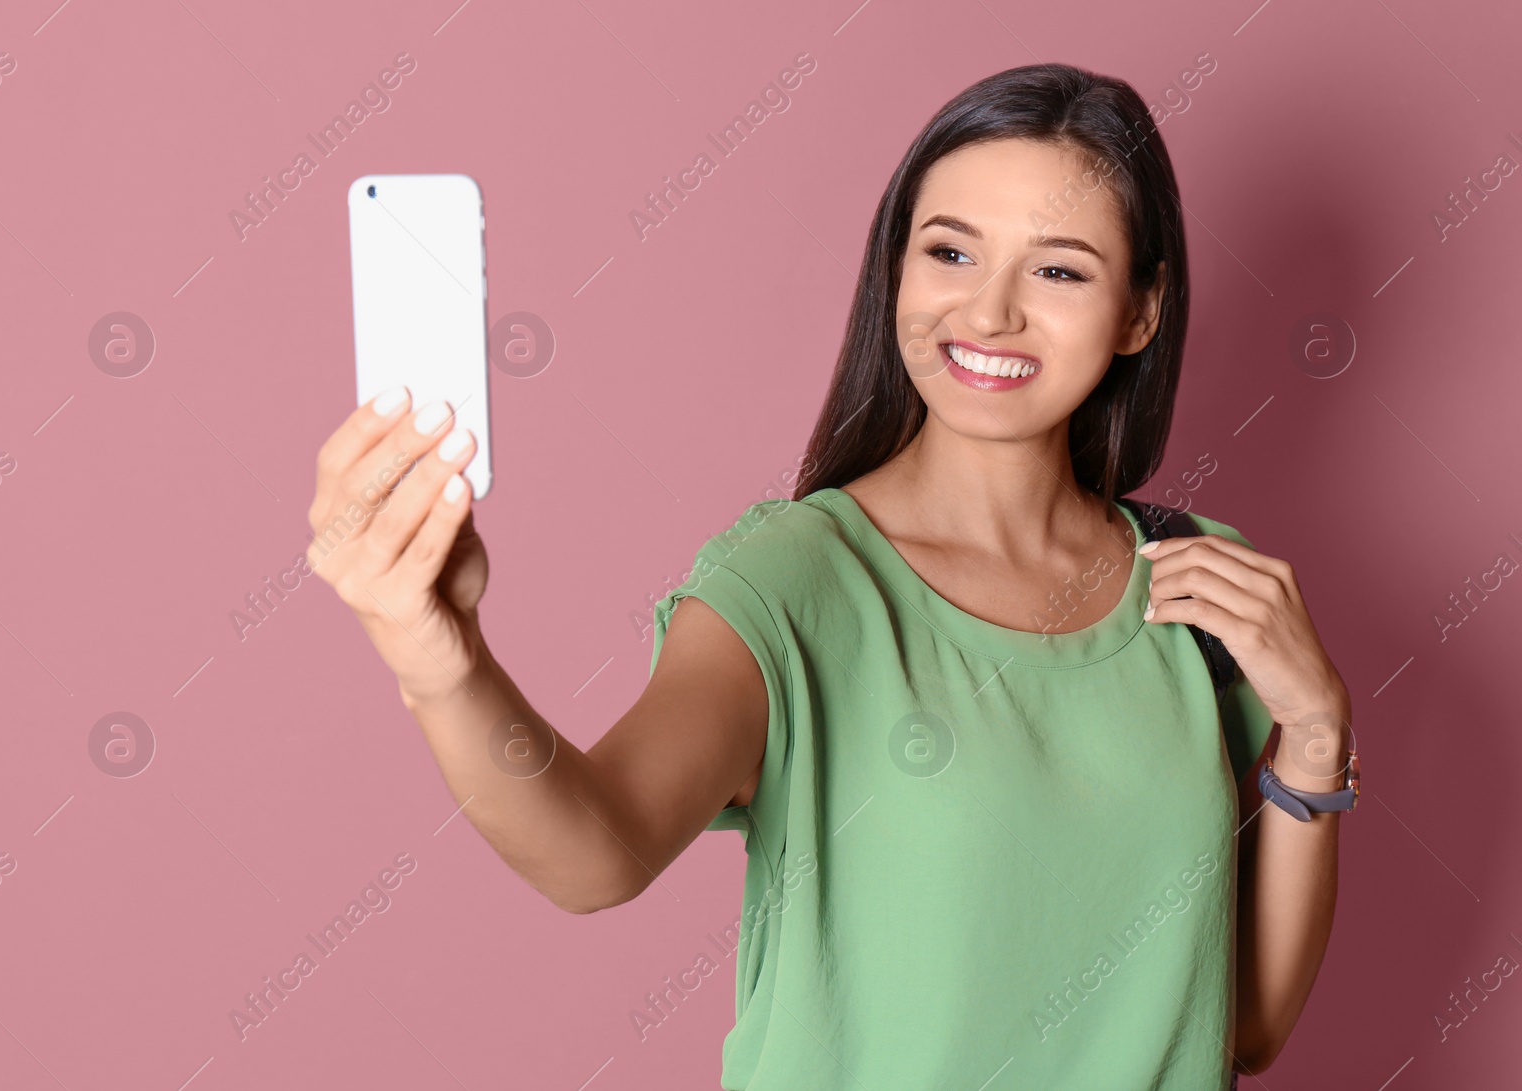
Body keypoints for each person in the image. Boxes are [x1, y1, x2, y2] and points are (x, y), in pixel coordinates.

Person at [306, 62, 1354, 1090]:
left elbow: (1242, 1020)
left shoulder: (1201, 587)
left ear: (1140, 309)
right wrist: (440, 663)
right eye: (950, 251)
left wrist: (1312, 735)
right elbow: (598, 850)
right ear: (894, 268)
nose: (987, 313)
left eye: (1059, 269)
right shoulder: (799, 578)